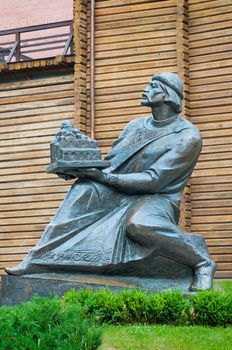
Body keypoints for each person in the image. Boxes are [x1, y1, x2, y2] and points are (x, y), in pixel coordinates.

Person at [7, 73, 216, 291]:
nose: (145, 88)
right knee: (84, 190)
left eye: (152, 85)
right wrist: (79, 171)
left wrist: (105, 177)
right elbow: (111, 164)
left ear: (167, 94)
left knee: (140, 225)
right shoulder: (135, 126)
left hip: (157, 198)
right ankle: (37, 258)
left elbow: (154, 180)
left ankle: (201, 262)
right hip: (120, 190)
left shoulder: (187, 137)